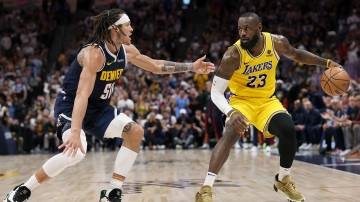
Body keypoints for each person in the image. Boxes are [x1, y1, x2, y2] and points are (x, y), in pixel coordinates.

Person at [4, 9, 214, 202]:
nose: (132, 28)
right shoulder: (94, 54)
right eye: (128, 25)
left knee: (135, 132)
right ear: (115, 29)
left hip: (99, 109)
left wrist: (191, 67)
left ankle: (113, 191)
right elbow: (81, 95)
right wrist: (75, 131)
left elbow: (156, 66)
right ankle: (22, 190)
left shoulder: (126, 50)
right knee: (76, 153)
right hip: (71, 106)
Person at [195, 12, 341, 202]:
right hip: (241, 102)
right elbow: (215, 93)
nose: (243, 33)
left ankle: (283, 179)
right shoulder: (233, 54)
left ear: (259, 28)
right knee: (231, 132)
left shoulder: (277, 42)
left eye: (247, 28)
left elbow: (297, 54)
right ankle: (206, 189)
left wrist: (326, 63)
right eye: (240, 29)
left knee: (288, 129)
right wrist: (231, 111)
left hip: (266, 101)